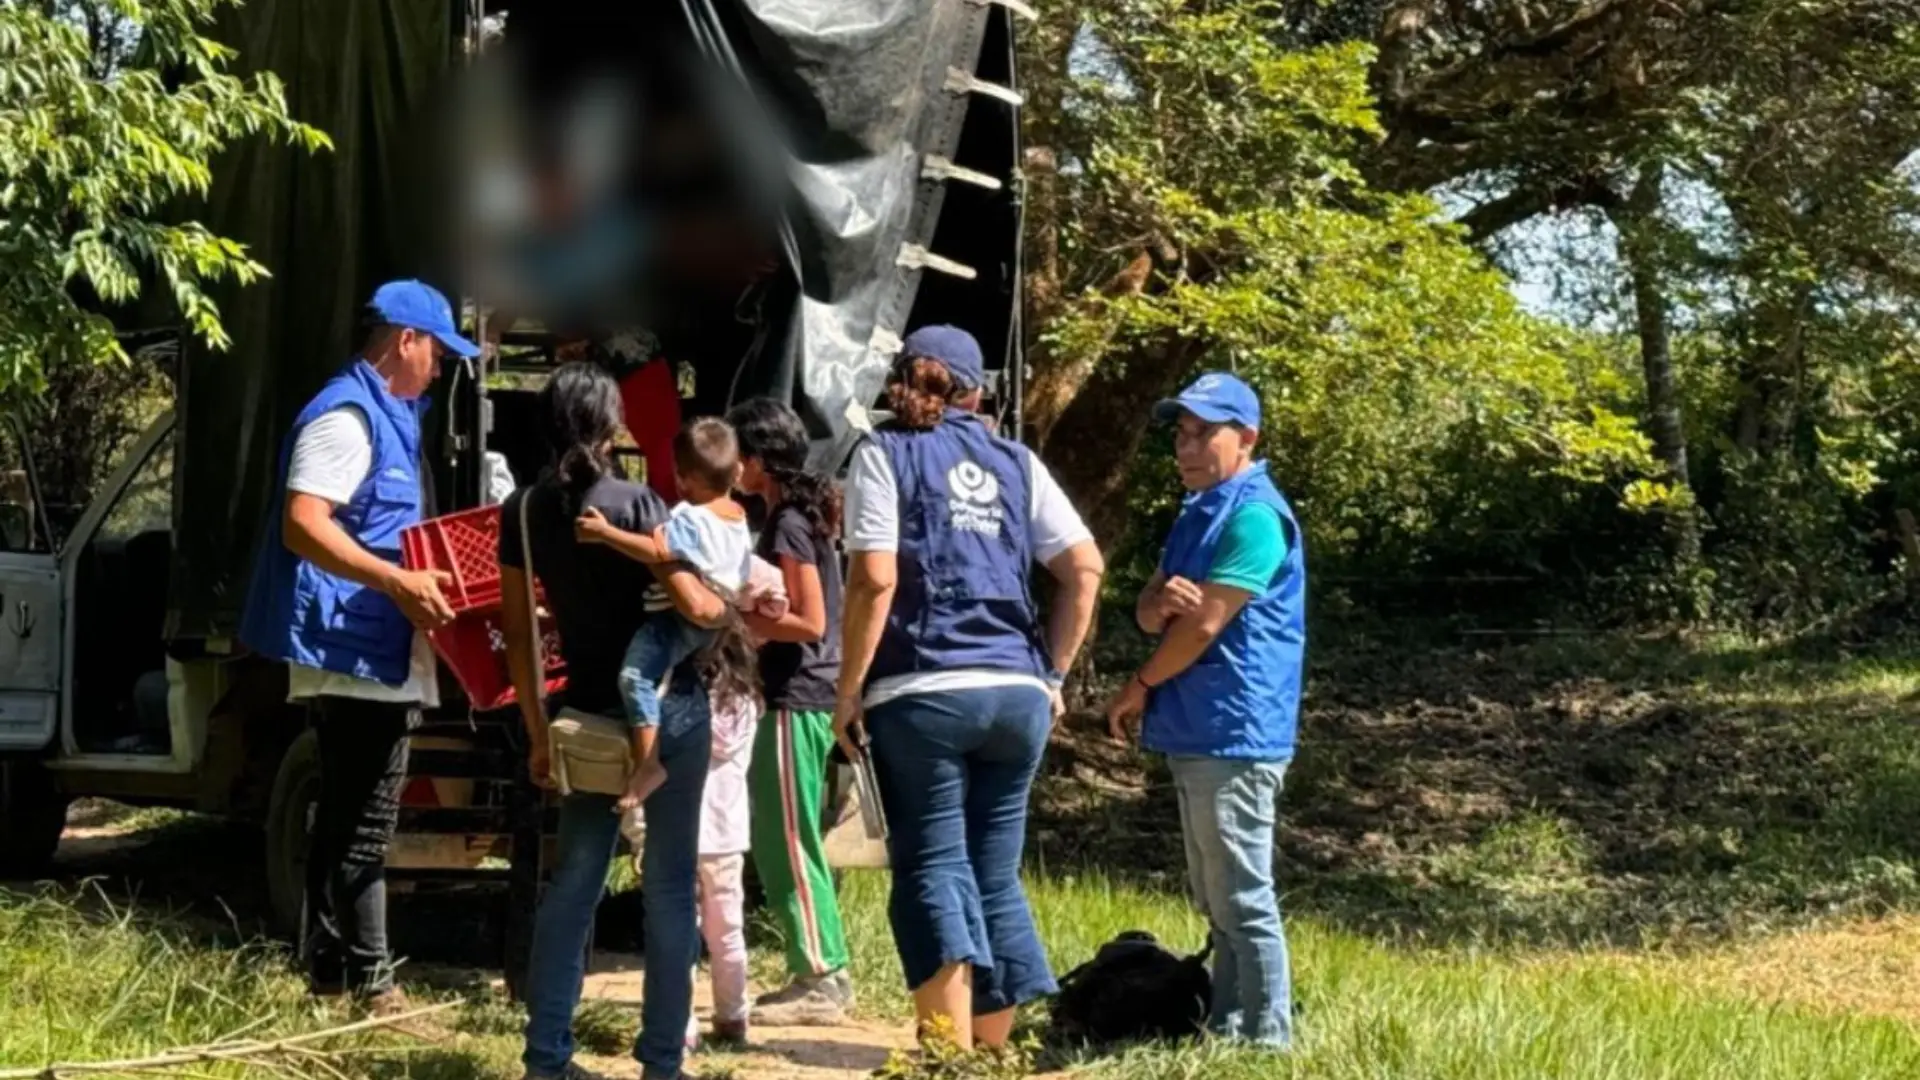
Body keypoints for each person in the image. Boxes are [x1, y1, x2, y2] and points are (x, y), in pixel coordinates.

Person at [835, 326, 1105, 1049]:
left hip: (924, 693)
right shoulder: (1019, 462)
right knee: (994, 873)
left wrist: (848, 688)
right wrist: (1051, 674)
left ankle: (946, 1057)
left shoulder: (883, 455)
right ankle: (992, 1052)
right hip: (1017, 693)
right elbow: (1084, 569)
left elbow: (875, 579)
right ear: (977, 392)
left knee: (934, 867)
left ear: (900, 381)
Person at [238, 280, 475, 1013]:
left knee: (347, 817)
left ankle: (330, 975)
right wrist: (396, 582)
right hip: (351, 649)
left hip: (373, 643)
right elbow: (303, 524)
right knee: (366, 822)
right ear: (405, 339)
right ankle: (372, 985)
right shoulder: (344, 418)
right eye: (437, 351)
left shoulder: (393, 414)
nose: (440, 368)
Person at [499, 363, 727, 1080]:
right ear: (610, 426)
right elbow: (695, 605)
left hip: (584, 718)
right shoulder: (639, 504)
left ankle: (547, 1058)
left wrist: (539, 732)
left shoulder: (525, 511)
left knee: (574, 884)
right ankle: (662, 1061)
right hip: (667, 710)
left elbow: (520, 633)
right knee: (667, 888)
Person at [1104, 371, 1305, 1050]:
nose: (1186, 448)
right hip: (1197, 729)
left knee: (1244, 897)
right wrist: (1155, 606)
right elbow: (1151, 607)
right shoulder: (1198, 510)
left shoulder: (1253, 515)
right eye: (1181, 434)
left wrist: (1138, 684)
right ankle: (1225, 1028)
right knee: (1217, 901)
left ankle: (1267, 1041)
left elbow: (1204, 627)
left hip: (1236, 732)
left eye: (1203, 433)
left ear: (1246, 438)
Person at [726, 397, 857, 1026]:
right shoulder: (798, 517)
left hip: (794, 695)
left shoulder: (787, 526)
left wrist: (733, 623)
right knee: (788, 835)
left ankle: (820, 976)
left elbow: (808, 619)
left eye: (737, 453)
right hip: (804, 696)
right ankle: (820, 965)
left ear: (757, 459)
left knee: (785, 837)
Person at [574, 418, 781, 809]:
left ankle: (647, 763)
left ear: (682, 478)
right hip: (715, 618)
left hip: (678, 620)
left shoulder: (691, 517)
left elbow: (657, 551)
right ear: (736, 470)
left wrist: (606, 534)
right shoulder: (735, 515)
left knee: (635, 677)